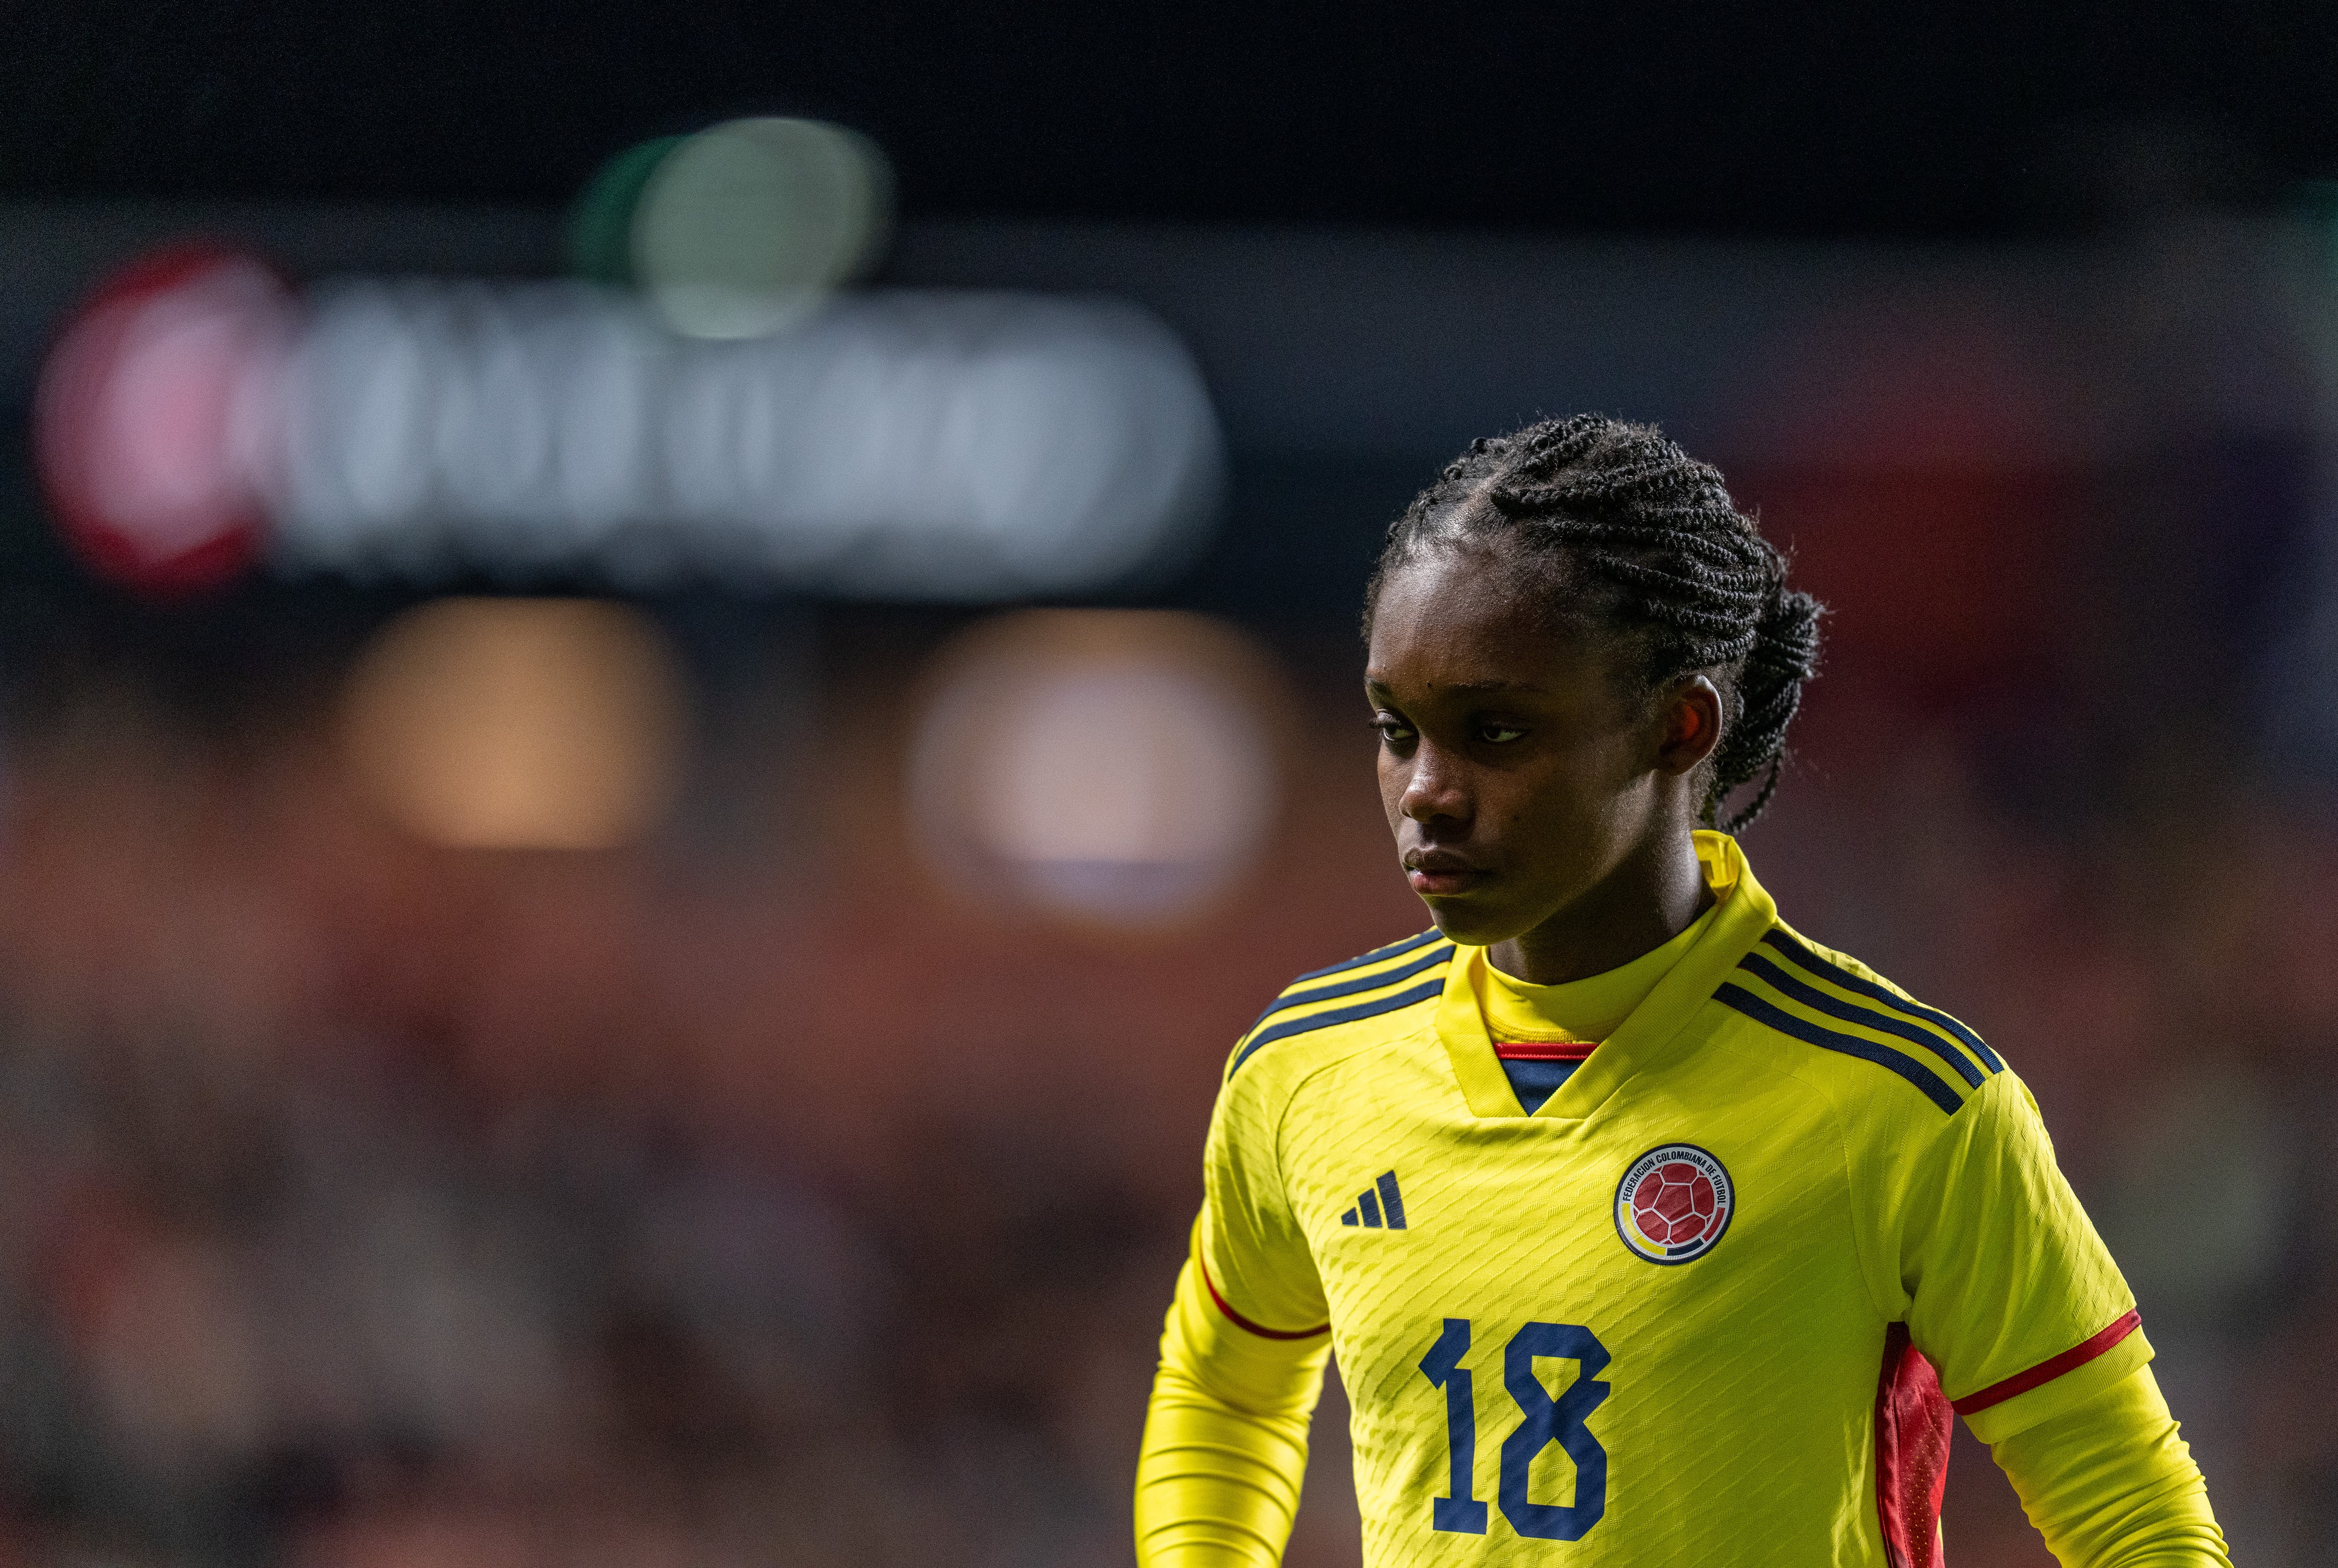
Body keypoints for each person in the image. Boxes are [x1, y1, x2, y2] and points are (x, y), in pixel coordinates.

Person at [1133, 415, 2228, 1566]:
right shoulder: (1307, 1068)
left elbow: (2127, 1509)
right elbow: (1224, 1395)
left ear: (1677, 725)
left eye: (1496, 732)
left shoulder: (1905, 1106)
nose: (1427, 795)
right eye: (1398, 733)